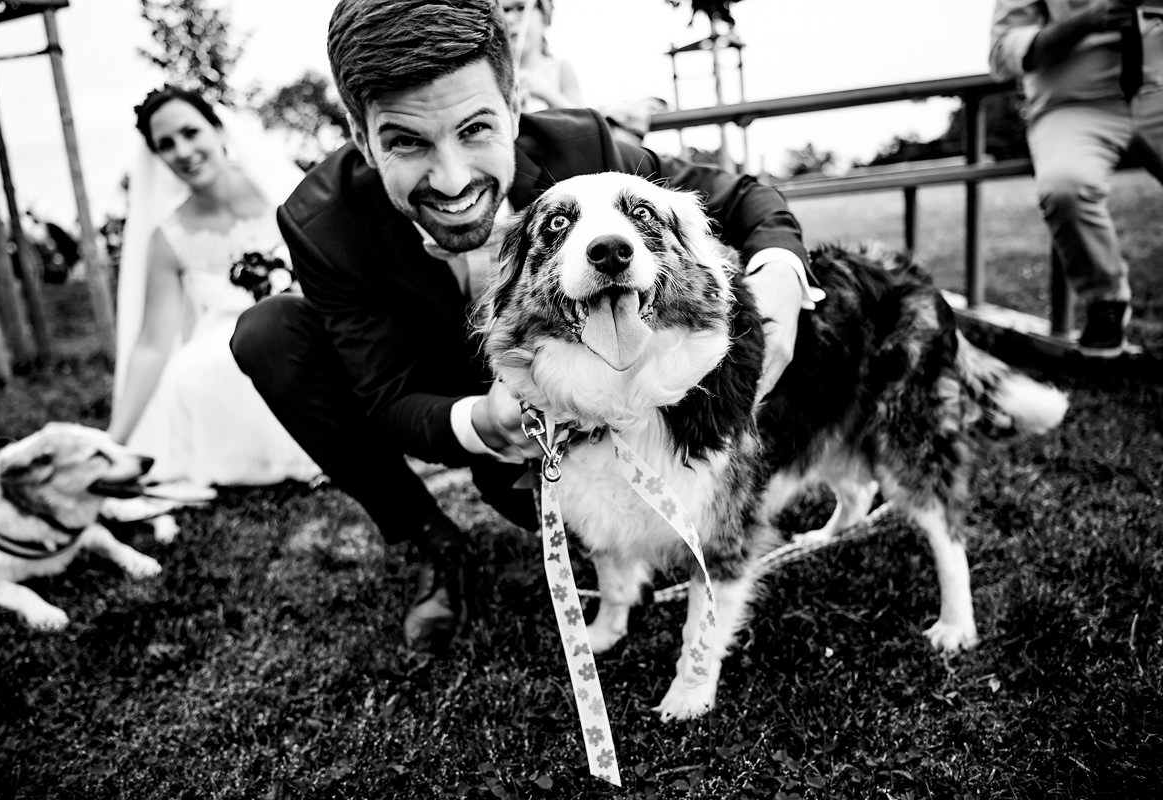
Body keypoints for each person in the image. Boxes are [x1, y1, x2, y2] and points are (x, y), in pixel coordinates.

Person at [230, 0, 820, 654]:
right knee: (266, 332)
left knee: (621, 524)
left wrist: (781, 274)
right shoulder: (321, 224)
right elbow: (385, 398)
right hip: (457, 392)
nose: (453, 180)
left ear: (514, 105)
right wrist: (482, 420)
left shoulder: (582, 146)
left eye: (476, 129)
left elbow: (737, 197)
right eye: (405, 140)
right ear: (359, 134)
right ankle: (432, 541)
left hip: (585, 404)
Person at [108, 86, 320, 490]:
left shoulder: (279, 186)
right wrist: (115, 442)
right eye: (165, 144)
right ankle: (260, 461)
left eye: (191, 133)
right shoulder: (166, 237)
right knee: (196, 371)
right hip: (227, 336)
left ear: (218, 130)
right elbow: (153, 342)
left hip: (313, 308)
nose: (182, 151)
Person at [990, 0, 1163, 357]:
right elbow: (1002, 52)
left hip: (1158, 91)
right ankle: (1105, 301)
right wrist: (1085, 22)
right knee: (1065, 187)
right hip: (1074, 103)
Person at [501, 0, 583, 111]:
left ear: (545, 17)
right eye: (503, 10)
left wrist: (547, 94)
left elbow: (584, 122)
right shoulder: (497, 74)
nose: (509, 19)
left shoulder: (559, 69)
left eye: (521, 8)